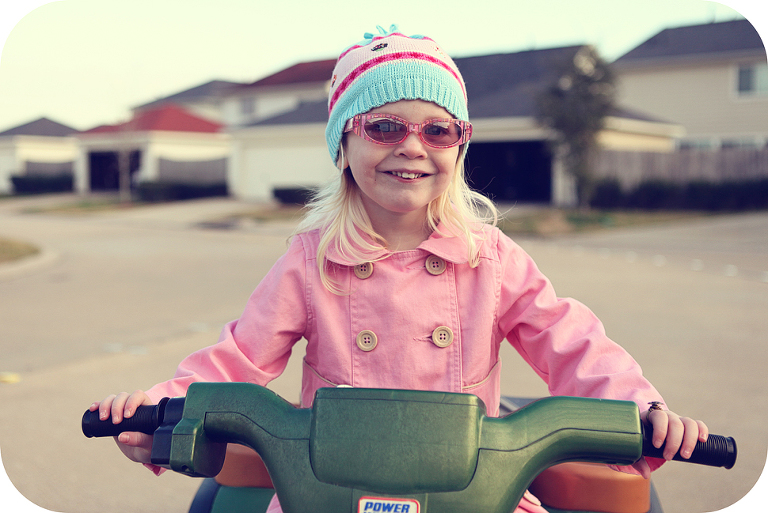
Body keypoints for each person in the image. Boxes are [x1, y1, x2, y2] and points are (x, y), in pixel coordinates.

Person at [89, 25, 708, 513]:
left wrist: (639, 409)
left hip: (473, 488)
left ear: (458, 148)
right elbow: (238, 358)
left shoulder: (489, 257)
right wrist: (163, 408)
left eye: (438, 131)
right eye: (384, 126)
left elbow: (570, 339)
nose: (412, 145)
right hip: (330, 487)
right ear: (343, 147)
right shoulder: (311, 261)